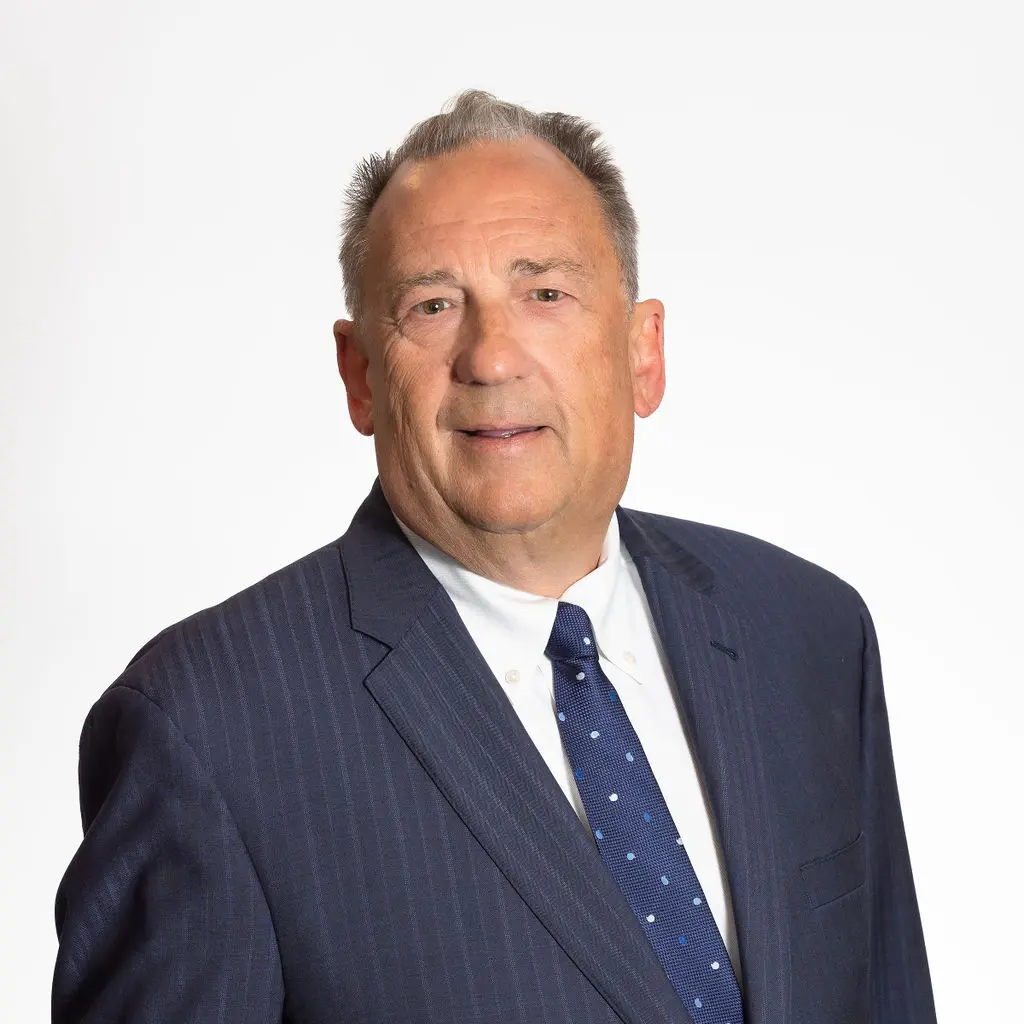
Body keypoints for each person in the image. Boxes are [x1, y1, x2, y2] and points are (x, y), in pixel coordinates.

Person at [52, 90, 937, 1024]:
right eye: (433, 306)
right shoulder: (205, 726)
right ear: (359, 377)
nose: (492, 356)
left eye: (544, 293)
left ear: (644, 353)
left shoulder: (805, 631)